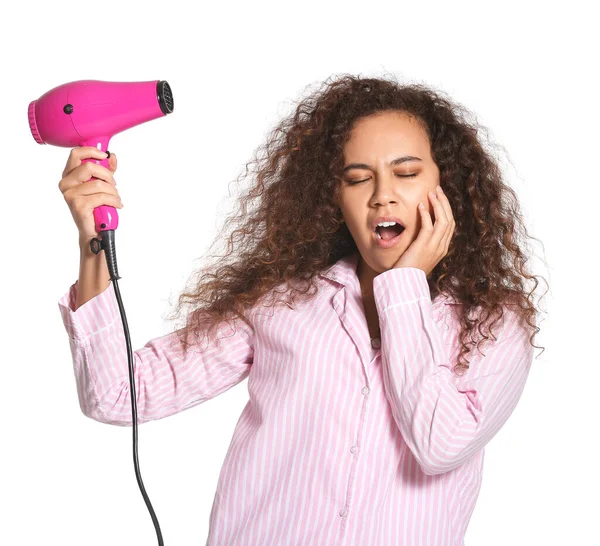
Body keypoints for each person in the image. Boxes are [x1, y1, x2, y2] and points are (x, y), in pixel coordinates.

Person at [57, 74, 545, 546]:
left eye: (407, 173)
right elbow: (118, 395)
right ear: (335, 198)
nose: (383, 195)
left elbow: (441, 443)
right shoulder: (278, 302)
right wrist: (93, 242)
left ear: (448, 187)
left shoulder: (495, 324)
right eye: (358, 179)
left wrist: (404, 285)